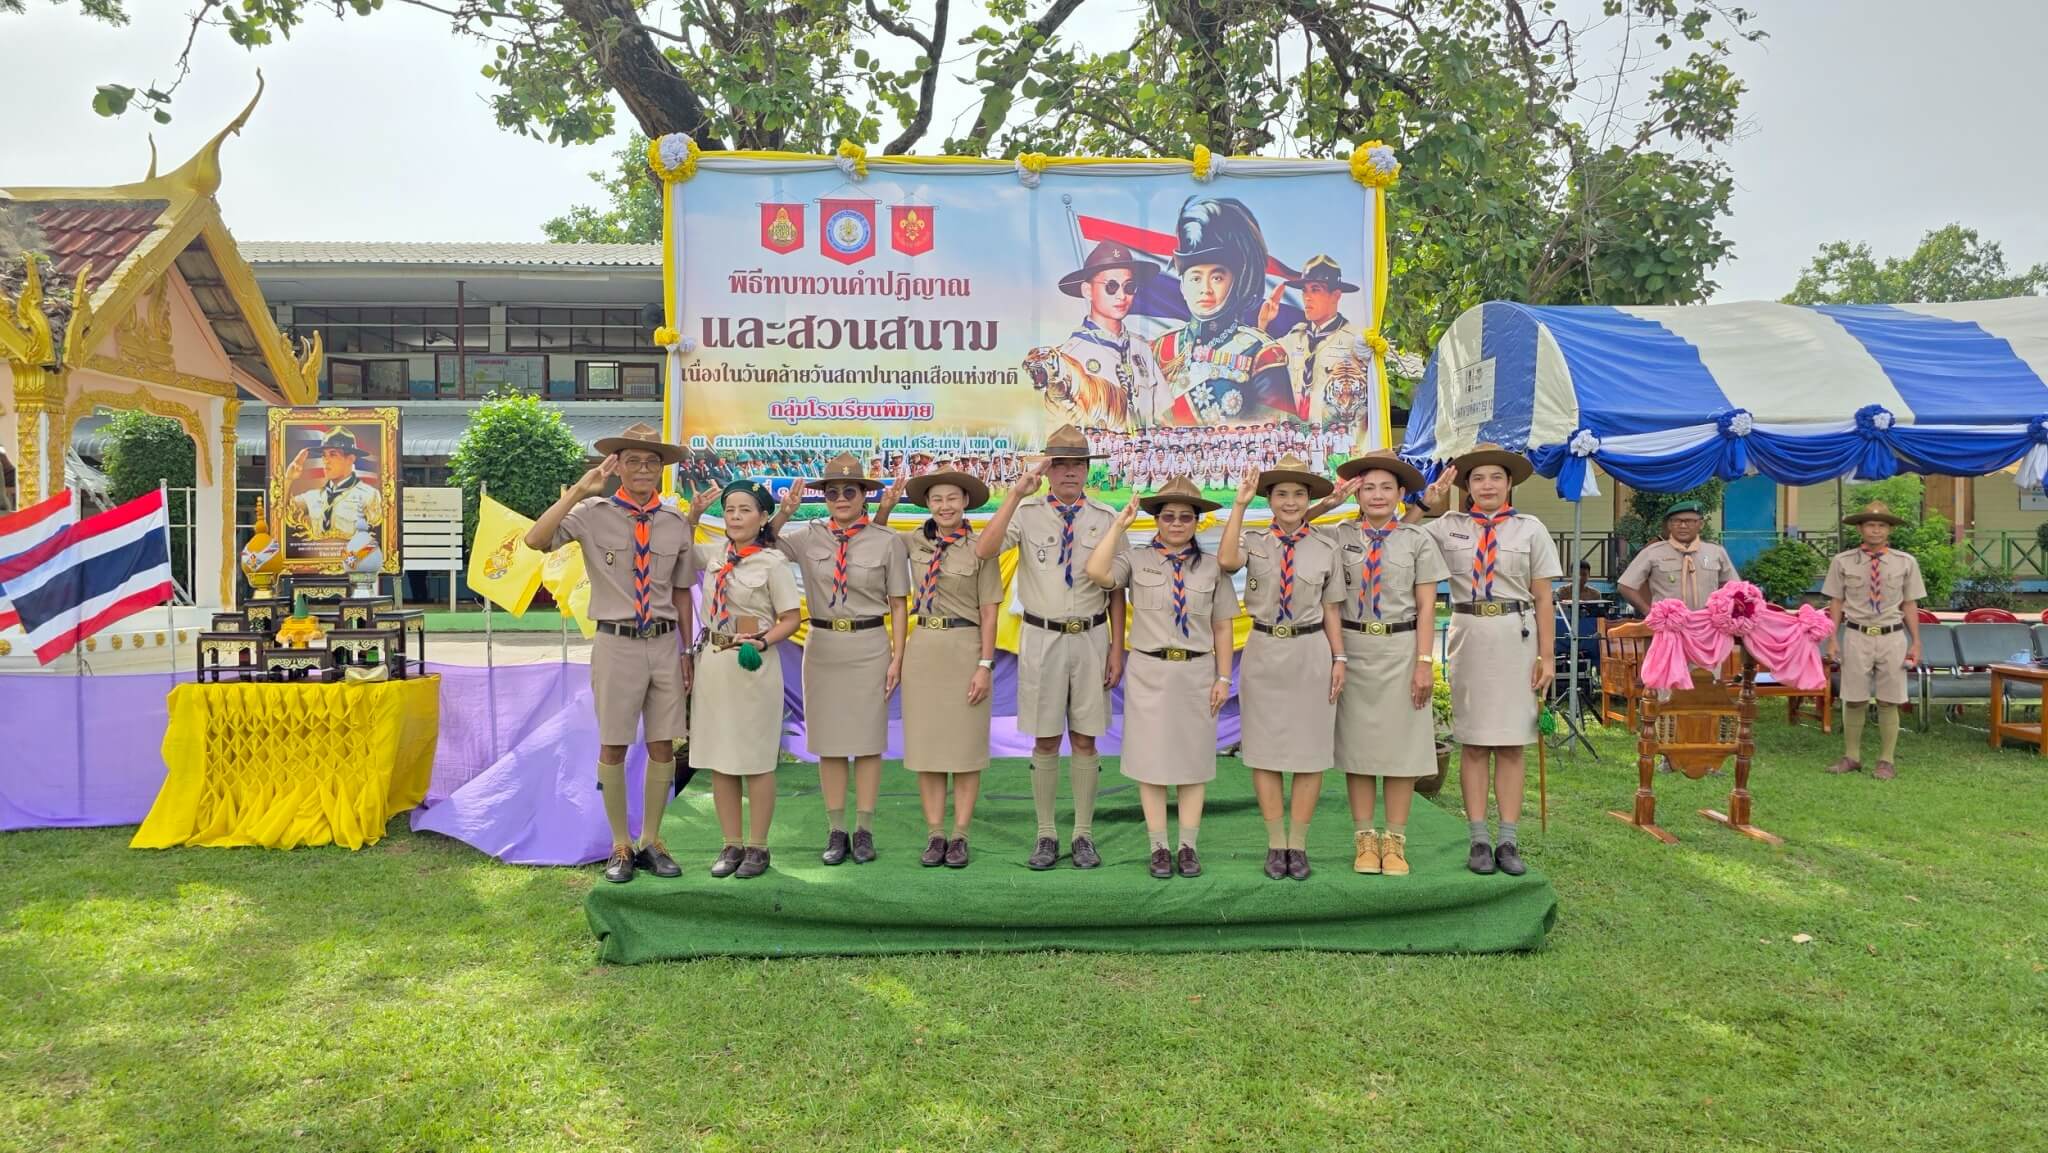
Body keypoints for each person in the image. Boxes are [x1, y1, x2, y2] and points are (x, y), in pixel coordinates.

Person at [524, 423, 696, 884]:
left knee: (663, 743)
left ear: (661, 470)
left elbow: (682, 592)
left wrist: (687, 650)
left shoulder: (676, 523)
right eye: (633, 460)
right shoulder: (590, 513)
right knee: (614, 743)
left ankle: (652, 841)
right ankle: (620, 844)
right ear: (617, 466)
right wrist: (579, 490)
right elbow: (535, 540)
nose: (642, 469)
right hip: (616, 642)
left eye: (651, 461)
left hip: (665, 643)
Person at [976, 424, 1126, 870]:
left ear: (1087, 469)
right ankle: (1045, 833)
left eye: (1077, 464)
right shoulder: (1027, 513)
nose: (1069, 473)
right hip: (1042, 636)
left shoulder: (1105, 517)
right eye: (1059, 465)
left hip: (1092, 636)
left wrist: (1117, 649)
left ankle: (1083, 834)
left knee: (1085, 737)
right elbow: (985, 549)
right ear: (1047, 469)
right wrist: (1014, 494)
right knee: (1045, 739)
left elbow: (1117, 589)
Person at [1414, 445, 1560, 877]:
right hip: (1470, 633)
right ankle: (1478, 838)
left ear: (1509, 483)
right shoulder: (1448, 527)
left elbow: (1544, 597)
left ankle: (1508, 840)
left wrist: (1547, 656)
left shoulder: (1530, 529)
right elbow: (1399, 536)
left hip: (1517, 636)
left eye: (1496, 477)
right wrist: (1424, 503)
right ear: (1467, 486)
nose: (1487, 485)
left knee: (1512, 744)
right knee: (1474, 742)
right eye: (1478, 478)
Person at [1084, 476, 1239, 878]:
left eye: (1186, 517)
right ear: (1156, 520)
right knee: (1150, 761)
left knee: (1194, 761)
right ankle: (1158, 846)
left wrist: (1224, 677)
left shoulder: (1212, 567)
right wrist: (1119, 525)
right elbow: (1097, 572)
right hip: (1149, 671)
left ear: (1197, 522)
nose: (1176, 524)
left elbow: (1223, 625)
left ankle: (1187, 846)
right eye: (1168, 516)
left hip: (1196, 672)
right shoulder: (1136, 559)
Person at [770, 453, 910, 864]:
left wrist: (898, 657)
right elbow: (764, 545)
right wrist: (784, 513)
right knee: (829, 743)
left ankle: (864, 829)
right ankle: (836, 830)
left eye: (850, 490)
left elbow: (898, 604)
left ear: (865, 495)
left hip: (870, 645)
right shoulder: (808, 536)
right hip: (823, 646)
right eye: (833, 493)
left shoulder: (886, 541)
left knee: (867, 742)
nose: (842, 498)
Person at [1217, 453, 1344, 880]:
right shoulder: (1254, 541)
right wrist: (1239, 504)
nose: (1290, 502)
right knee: (1265, 752)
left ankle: (1298, 845)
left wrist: (1339, 657)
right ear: (1269, 500)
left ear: (1309, 499)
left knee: (1310, 753)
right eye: (1282, 494)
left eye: (1299, 494)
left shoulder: (1326, 546)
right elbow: (1226, 562)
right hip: (1265, 649)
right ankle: (1275, 844)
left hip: (1311, 651)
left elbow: (1331, 608)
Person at [1328, 451, 1447, 877]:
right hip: (1354, 650)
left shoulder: (1417, 540)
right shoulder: (1338, 537)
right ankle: (1364, 841)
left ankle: (1394, 843)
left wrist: (1424, 662)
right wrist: (1328, 502)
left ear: (1400, 494)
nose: (1377, 495)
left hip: (1401, 650)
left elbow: (1427, 607)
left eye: (1386, 487)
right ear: (1356, 493)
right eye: (1368, 487)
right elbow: (1294, 528)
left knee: (1402, 750)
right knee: (1359, 750)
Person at [682, 480, 802, 878]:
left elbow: (790, 618)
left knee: (756, 759)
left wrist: (764, 641)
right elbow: (679, 555)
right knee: (720, 758)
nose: (735, 517)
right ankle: (731, 843)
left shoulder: (773, 563)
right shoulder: (714, 554)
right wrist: (693, 516)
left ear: (763, 517)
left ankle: (758, 847)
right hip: (714, 663)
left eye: (745, 510)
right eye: (730, 509)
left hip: (753, 664)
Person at [899, 468, 1004, 868]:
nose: (945, 506)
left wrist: (984, 665)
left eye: (952, 499)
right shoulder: (913, 542)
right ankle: (935, 834)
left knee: (965, 749)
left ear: (965, 503)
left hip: (965, 648)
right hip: (924, 647)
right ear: (927, 504)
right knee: (926, 748)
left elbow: (989, 612)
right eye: (937, 499)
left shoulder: (981, 548)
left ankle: (960, 835)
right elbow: (870, 539)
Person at [1151, 197, 1295, 427]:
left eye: (1217, 277)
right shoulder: (1158, 349)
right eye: (1195, 278)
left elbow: (1276, 436)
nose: (1205, 289)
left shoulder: (1262, 353)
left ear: (1235, 282)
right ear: (1182, 286)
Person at [1823, 501, 1925, 781]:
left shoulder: (1905, 562)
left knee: (1889, 700)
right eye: (1870, 525)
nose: (1876, 530)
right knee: (1854, 697)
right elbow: (1836, 602)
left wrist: (1916, 641)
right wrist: (1832, 638)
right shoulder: (1842, 562)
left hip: (1892, 636)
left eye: (1881, 525)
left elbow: (1910, 604)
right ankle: (1852, 756)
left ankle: (1886, 760)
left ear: (1890, 529)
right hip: (1856, 635)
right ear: (1860, 528)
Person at [1024, 246, 1172, 431]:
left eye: (1129, 287)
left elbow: (1165, 417)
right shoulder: (1069, 356)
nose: (1121, 296)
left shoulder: (1141, 349)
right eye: (1111, 286)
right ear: (1088, 290)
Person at [1264, 255, 1371, 428]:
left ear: (1335, 295)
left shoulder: (1356, 340)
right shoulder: (1294, 338)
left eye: (1315, 290)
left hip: (1334, 435)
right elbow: (1261, 360)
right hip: (1294, 435)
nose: (1307, 297)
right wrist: (1263, 323)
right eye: (1304, 290)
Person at [1617, 500, 1737, 615]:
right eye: (1676, 521)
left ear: (1701, 524)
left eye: (1689, 521)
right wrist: (1648, 612)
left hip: (1707, 624)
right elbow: (1625, 586)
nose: (1683, 526)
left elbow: (1734, 588)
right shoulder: (1653, 552)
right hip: (1668, 624)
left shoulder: (1715, 552)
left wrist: (1724, 612)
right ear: (1669, 525)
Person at [283, 428, 383, 542]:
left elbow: (377, 537)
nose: (325, 461)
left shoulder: (370, 496)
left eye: (332, 454)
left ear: (350, 459)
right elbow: (283, 513)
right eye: (324, 455)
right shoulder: (313, 496)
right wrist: (288, 479)